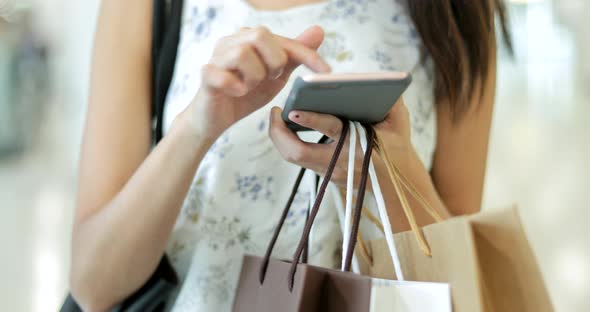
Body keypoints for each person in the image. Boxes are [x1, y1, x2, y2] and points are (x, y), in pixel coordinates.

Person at [69, 0, 510, 310]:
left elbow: (456, 285)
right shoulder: (146, 6)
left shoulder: (458, 11)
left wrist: (387, 173)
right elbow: (95, 284)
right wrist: (198, 125)